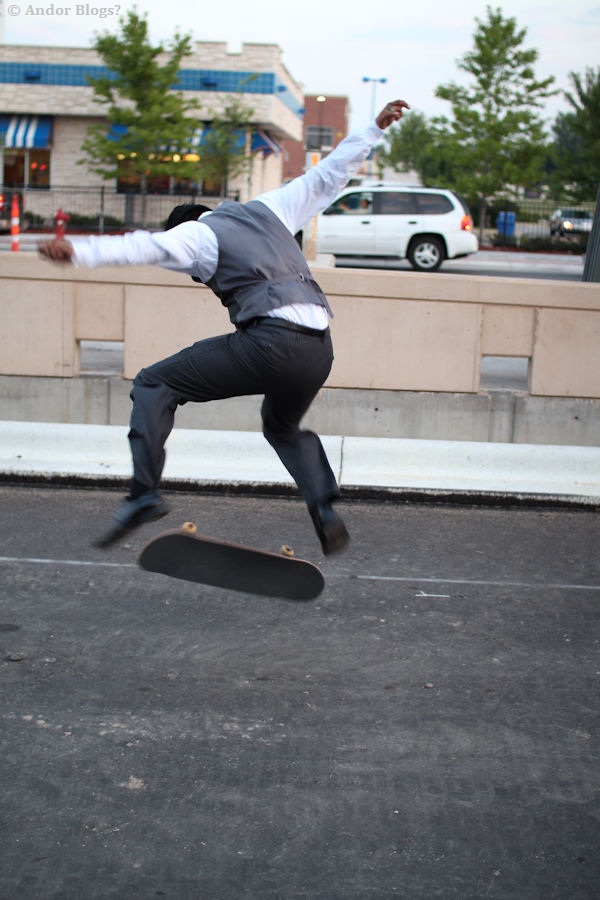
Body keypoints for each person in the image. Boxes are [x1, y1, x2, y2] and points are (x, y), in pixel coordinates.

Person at [39, 99, 409, 554]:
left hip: (270, 344)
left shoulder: (195, 235)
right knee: (281, 426)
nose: (199, 278)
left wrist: (77, 252)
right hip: (319, 349)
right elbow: (327, 176)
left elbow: (145, 247)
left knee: (154, 383)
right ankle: (325, 509)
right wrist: (371, 130)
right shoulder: (269, 209)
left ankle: (143, 493)